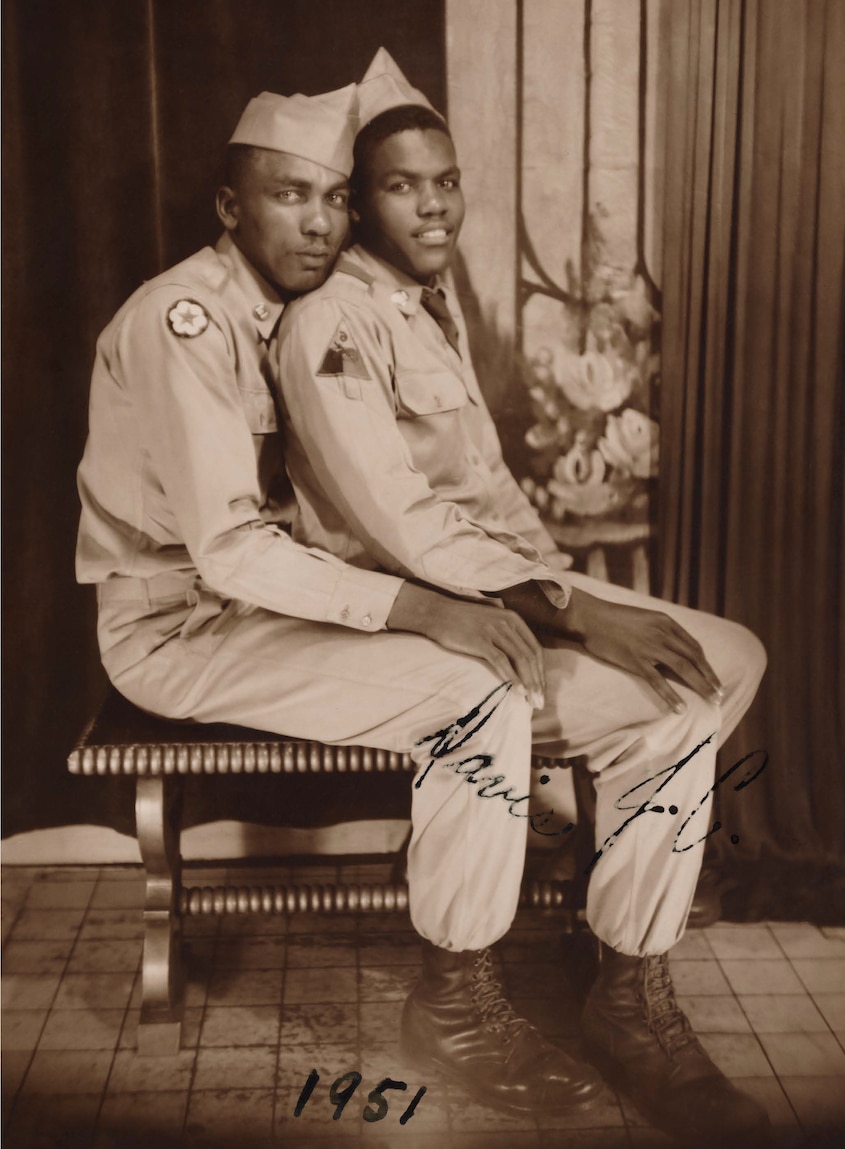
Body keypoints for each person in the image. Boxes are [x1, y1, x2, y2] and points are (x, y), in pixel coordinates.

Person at [76, 81, 604, 1118]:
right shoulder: (186, 320)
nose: (318, 222)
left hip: (262, 609)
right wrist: (421, 609)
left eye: (331, 199)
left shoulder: (296, 317)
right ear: (231, 209)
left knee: (485, 671)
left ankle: (469, 886)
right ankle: (454, 1007)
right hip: (176, 626)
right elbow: (229, 549)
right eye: (287, 197)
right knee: (472, 692)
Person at [274, 48, 771, 1144]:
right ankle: (491, 997)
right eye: (405, 185)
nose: (435, 201)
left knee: (711, 668)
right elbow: (399, 523)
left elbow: (492, 502)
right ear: (358, 203)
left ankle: (620, 976)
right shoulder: (331, 326)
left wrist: (567, 600)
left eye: (445, 179)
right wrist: (583, 613)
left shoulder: (429, 306)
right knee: (619, 706)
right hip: (413, 621)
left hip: (510, 599)